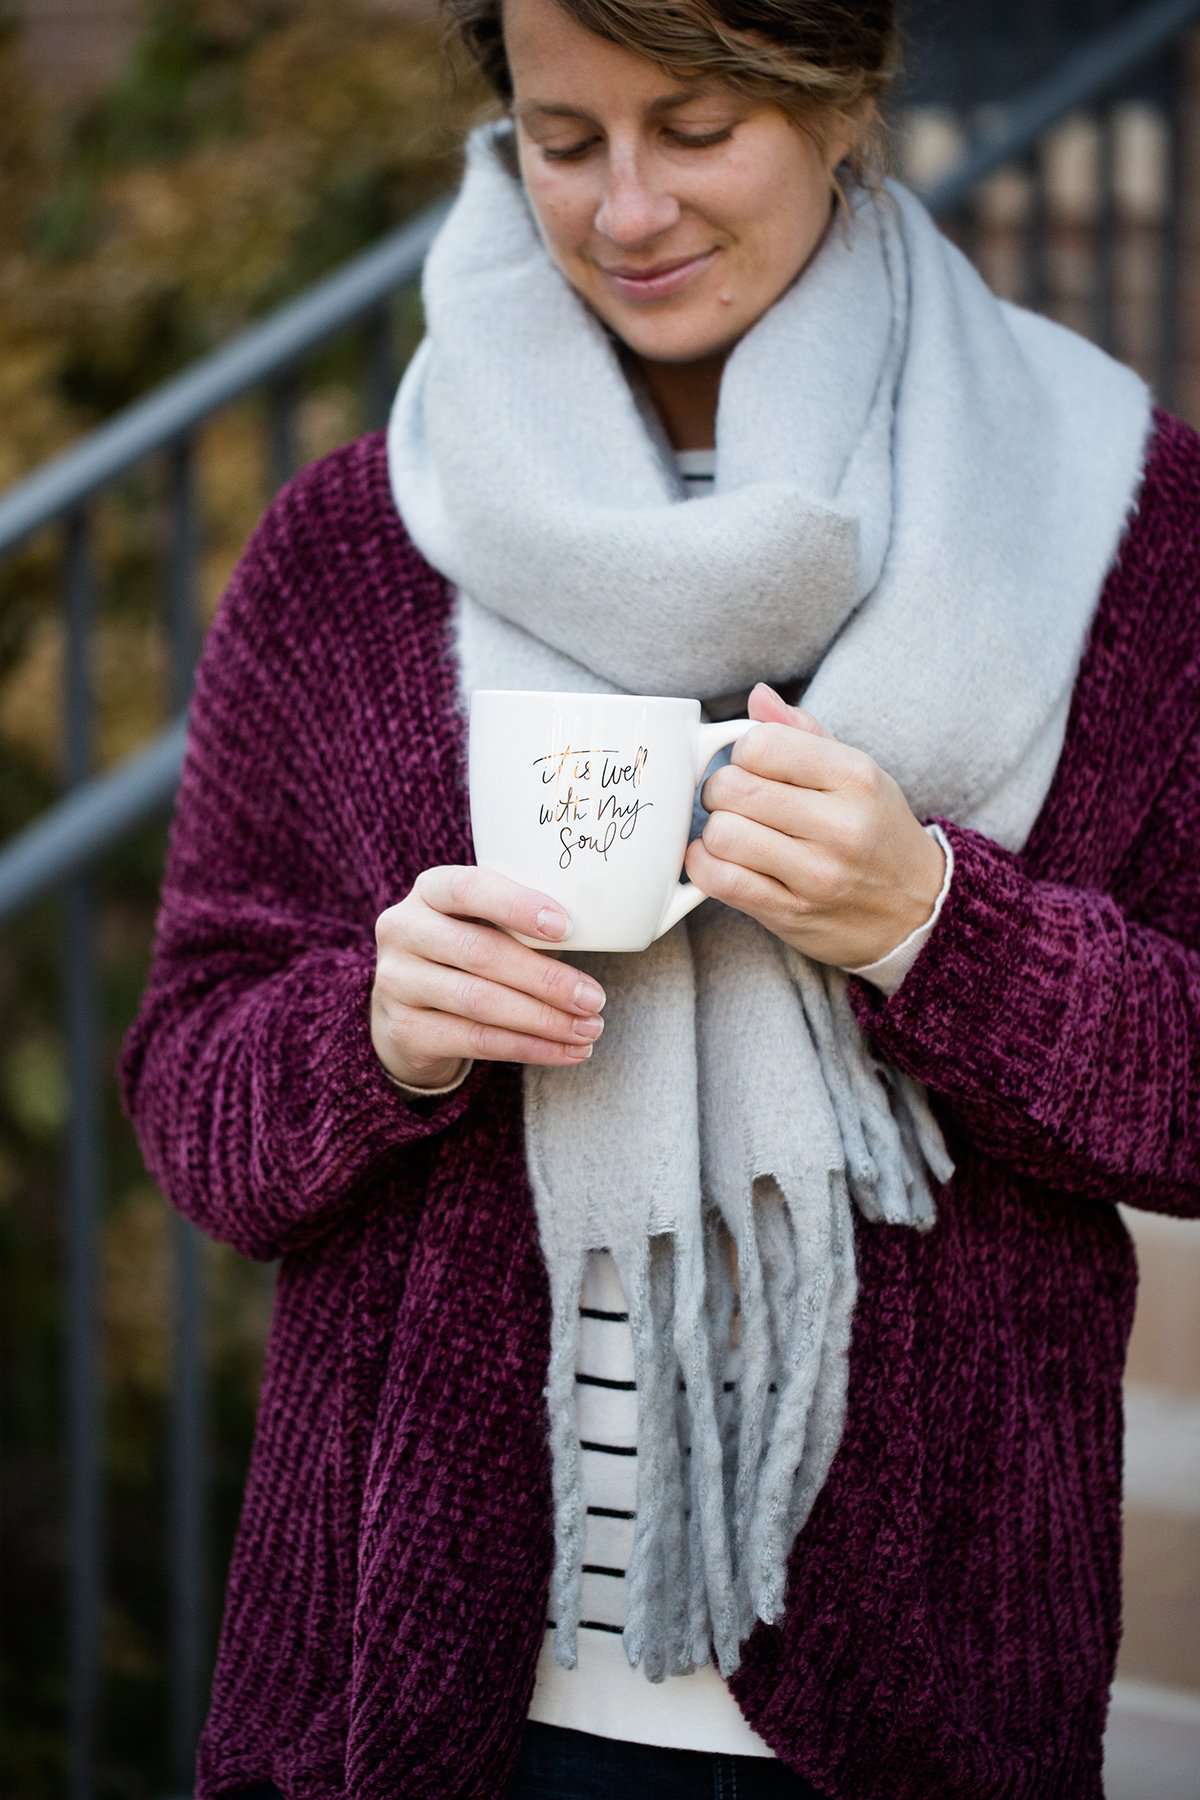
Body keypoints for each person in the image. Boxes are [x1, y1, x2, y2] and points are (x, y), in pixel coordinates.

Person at [116, 0, 1200, 1795]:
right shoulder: (354, 546)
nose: (626, 209)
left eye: (694, 129)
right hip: (431, 1699)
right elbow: (193, 1095)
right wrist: (369, 1033)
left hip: (912, 1701)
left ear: (841, 102)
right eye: (563, 139)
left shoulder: (1125, 526)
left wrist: (942, 930)